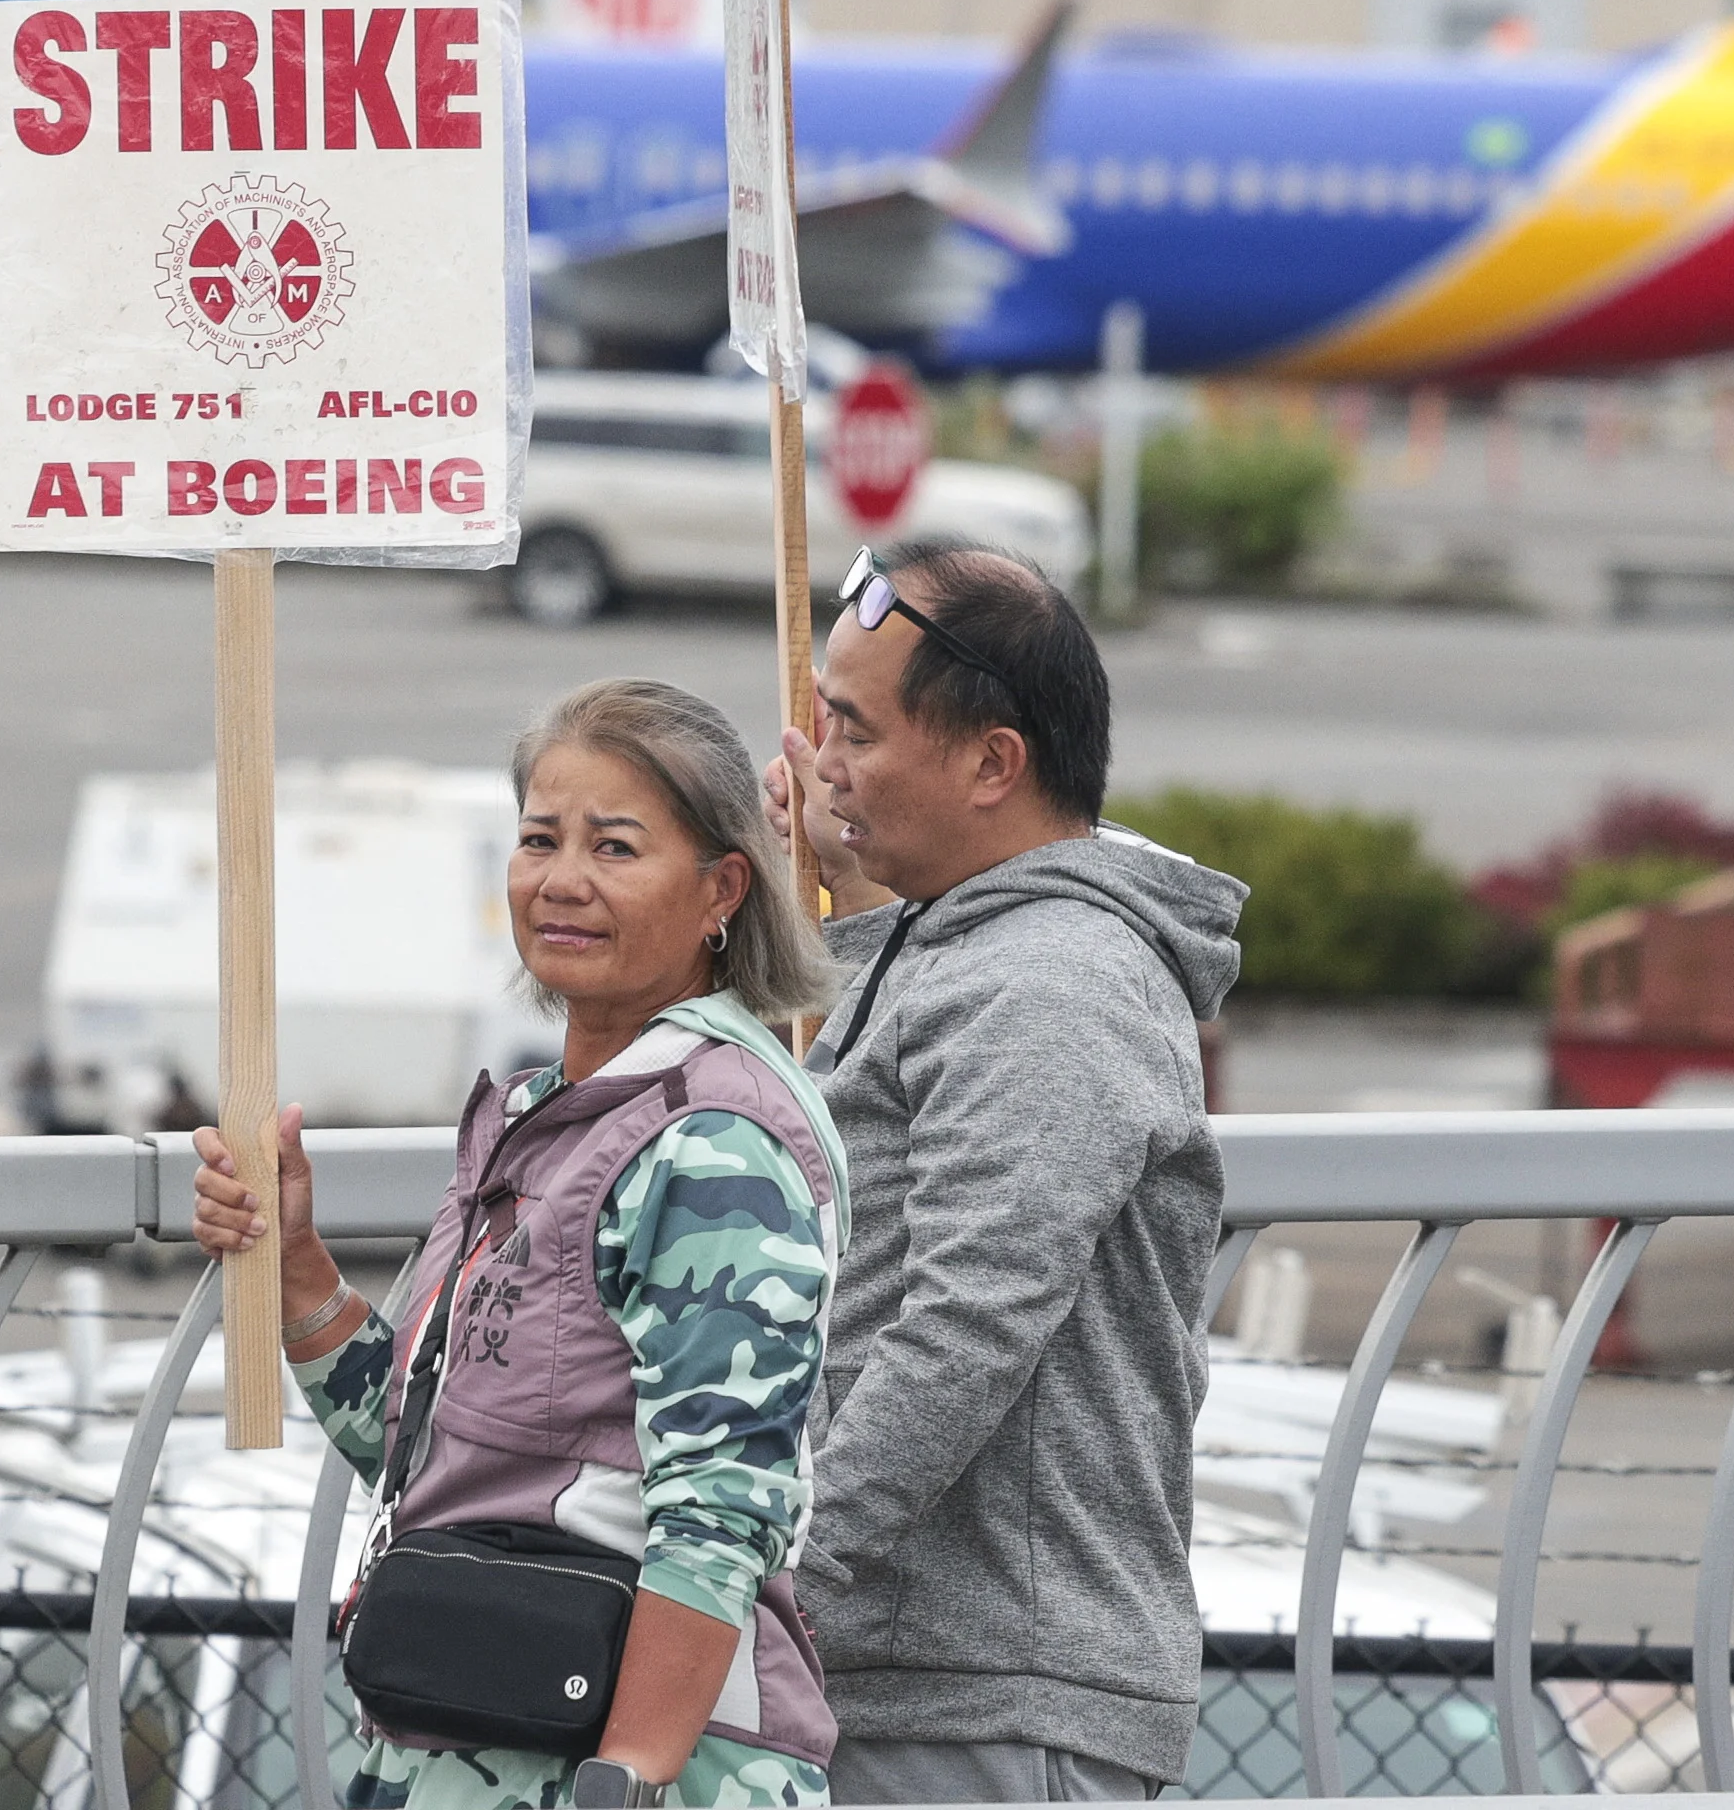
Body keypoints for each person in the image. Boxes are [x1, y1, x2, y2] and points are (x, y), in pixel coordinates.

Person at [194, 678, 847, 1810]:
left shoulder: (711, 1139)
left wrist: (626, 1780)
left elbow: (720, 1510)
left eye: (617, 846)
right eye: (540, 838)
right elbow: (436, 1462)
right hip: (465, 1752)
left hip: (617, 1773)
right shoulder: (552, 1113)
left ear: (721, 891)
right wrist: (295, 1259)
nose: (563, 879)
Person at [766, 538, 1245, 1805]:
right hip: (923, 1677)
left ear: (992, 762)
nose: (823, 763)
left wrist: (767, 1577)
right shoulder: (972, 954)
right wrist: (858, 879)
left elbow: (969, 1323)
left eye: (854, 730)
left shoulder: (1051, 985)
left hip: (988, 1696)